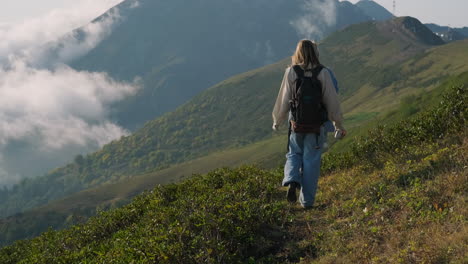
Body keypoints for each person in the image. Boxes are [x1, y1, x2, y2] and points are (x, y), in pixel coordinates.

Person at [272, 39, 347, 209]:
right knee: (311, 161)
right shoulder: (323, 73)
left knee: (293, 154)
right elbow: (332, 101)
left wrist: (277, 120)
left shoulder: (291, 72)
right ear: (315, 52)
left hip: (296, 125)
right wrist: (338, 124)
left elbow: (283, 100)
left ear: (297, 52)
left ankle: (292, 180)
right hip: (316, 127)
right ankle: (307, 202)